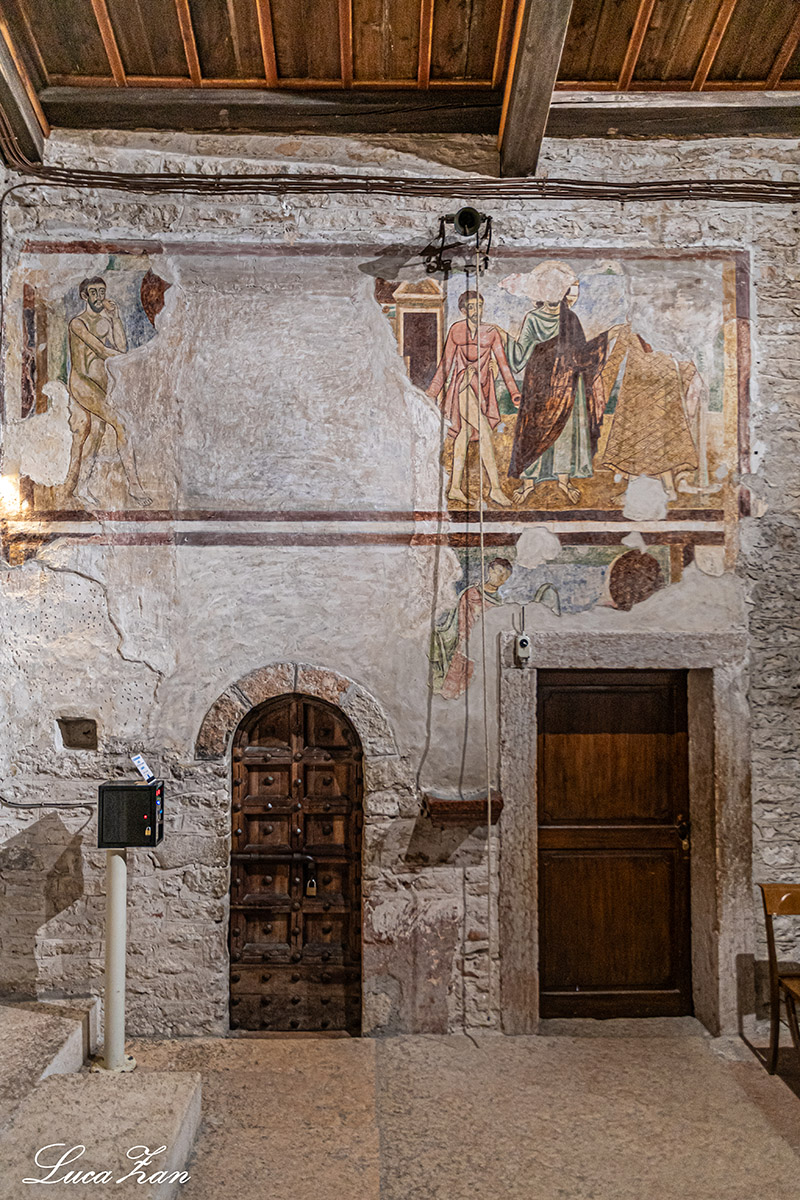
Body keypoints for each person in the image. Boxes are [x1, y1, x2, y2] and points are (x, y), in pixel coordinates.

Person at [499, 263, 610, 505]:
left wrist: (604, 340)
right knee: (534, 428)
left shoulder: (571, 319)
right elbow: (519, 356)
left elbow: (582, 355)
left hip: (566, 383)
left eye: (557, 287)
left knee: (565, 430)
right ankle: (529, 482)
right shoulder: (532, 319)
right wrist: (503, 336)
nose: (553, 292)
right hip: (539, 384)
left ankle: (563, 480)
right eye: (548, 287)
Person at [427, 291, 521, 507]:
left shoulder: (491, 333)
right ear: (463, 311)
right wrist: (431, 393)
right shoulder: (456, 330)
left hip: (483, 388)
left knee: (464, 434)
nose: (477, 310)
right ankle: (495, 489)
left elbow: (503, 364)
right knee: (485, 431)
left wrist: (514, 392)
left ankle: (455, 488)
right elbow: (446, 364)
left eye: (479, 305)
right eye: (471, 307)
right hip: (462, 386)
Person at [65, 276, 151, 506]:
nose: (99, 297)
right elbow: (101, 350)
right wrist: (134, 359)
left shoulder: (105, 320)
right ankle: (134, 486)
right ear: (84, 296)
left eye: (101, 291)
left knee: (97, 432)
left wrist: (115, 318)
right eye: (93, 292)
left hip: (101, 384)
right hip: (83, 383)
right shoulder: (77, 323)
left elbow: (120, 346)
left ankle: (81, 486)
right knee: (121, 424)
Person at [430, 557, 512, 699]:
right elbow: (462, 621)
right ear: (489, 571)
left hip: (487, 650)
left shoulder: (501, 603)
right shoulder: (471, 594)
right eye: (498, 571)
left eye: (505, 575)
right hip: (467, 646)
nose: (500, 577)